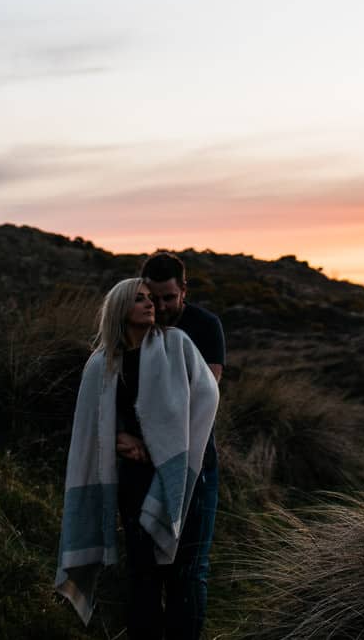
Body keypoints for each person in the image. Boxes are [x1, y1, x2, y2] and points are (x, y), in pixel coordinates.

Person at [55, 278, 219, 638]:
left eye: (151, 299)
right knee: (143, 573)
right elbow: (91, 422)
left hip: (184, 474)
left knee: (185, 574)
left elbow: (206, 397)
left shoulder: (177, 345)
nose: (150, 305)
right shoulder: (102, 363)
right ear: (120, 309)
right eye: (139, 299)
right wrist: (116, 437)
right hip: (136, 480)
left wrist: (154, 439)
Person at [139, 251, 225, 640]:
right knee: (146, 565)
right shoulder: (136, 323)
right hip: (140, 463)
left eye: (168, 298)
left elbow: (205, 393)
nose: (160, 307)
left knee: (189, 567)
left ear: (183, 291)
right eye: (152, 298)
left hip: (196, 458)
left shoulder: (205, 326)